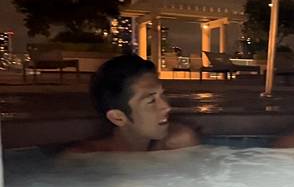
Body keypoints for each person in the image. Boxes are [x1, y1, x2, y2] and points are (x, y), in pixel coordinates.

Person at [67, 54, 200, 153]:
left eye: (162, 94)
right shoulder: (86, 159)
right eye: (151, 101)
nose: (167, 107)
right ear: (118, 117)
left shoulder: (178, 144)